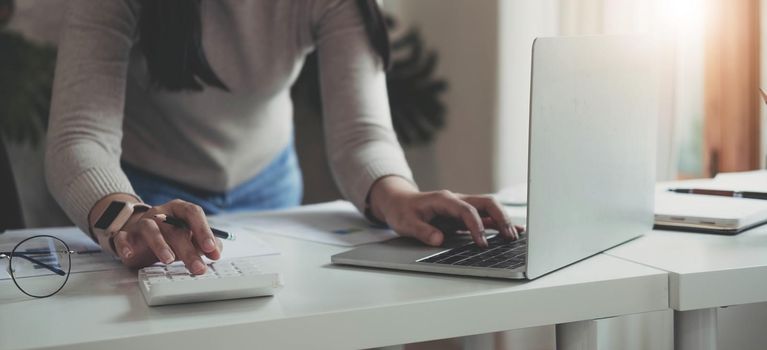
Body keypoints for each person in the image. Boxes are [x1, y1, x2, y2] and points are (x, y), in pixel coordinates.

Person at [46, 0, 518, 275]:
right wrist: (126, 216)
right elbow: (78, 137)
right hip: (148, 195)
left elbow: (361, 134)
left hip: (268, 188)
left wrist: (399, 196)